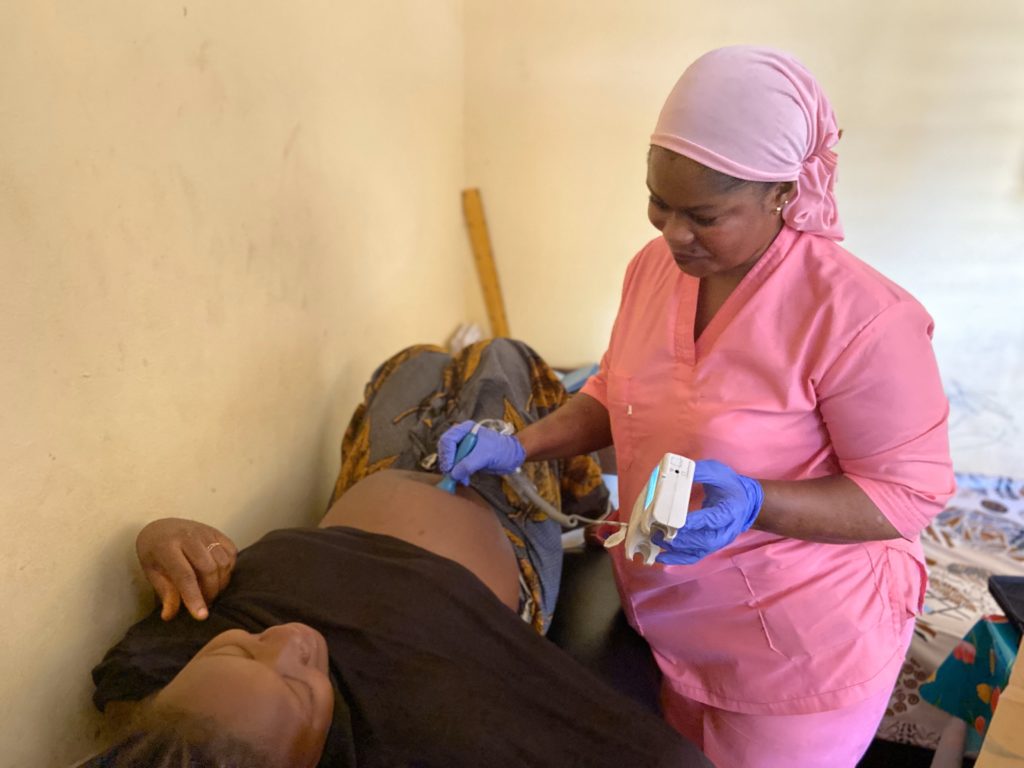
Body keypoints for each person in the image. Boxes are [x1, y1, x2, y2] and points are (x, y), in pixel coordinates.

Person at [439, 46, 955, 767]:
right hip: (672, 623)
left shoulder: (862, 319)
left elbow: (905, 496)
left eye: (705, 215)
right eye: (658, 202)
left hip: (798, 653)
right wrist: (521, 445)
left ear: (781, 193)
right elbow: (615, 392)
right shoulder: (653, 272)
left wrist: (754, 503)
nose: (672, 233)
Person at [83, 339, 710, 768]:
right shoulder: (425, 729)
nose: (290, 637)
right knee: (503, 362)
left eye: (239, 646)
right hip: (500, 521)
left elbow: (150, 626)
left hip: (372, 482)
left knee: (411, 364)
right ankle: (586, 496)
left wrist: (163, 536)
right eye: (300, 685)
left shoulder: (156, 707)